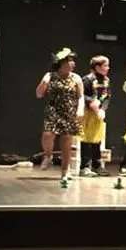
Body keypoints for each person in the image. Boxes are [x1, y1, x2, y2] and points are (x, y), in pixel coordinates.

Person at [35, 48, 84, 186]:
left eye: (73, 60)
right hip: (53, 111)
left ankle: (65, 171)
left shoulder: (76, 78)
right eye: (70, 60)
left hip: (69, 112)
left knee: (66, 142)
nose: (73, 63)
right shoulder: (50, 75)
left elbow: (80, 97)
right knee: (48, 134)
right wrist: (43, 83)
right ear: (62, 63)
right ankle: (48, 155)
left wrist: (80, 110)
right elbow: (39, 94)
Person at [80, 56, 112, 177]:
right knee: (86, 139)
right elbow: (82, 95)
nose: (108, 68)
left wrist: (103, 109)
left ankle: (97, 165)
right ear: (97, 67)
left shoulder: (106, 80)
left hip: (98, 114)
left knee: (97, 139)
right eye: (106, 66)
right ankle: (85, 166)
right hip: (88, 113)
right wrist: (91, 103)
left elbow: (107, 96)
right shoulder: (87, 80)